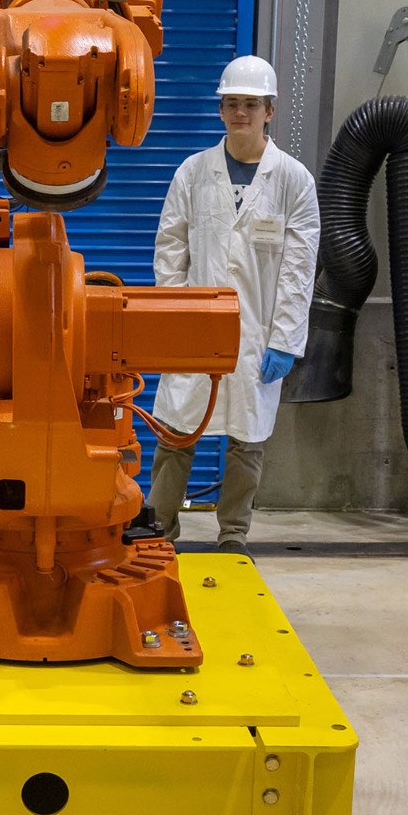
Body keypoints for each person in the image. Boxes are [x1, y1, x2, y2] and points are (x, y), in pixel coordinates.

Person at [149, 54, 319, 551]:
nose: (240, 112)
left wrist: (284, 339)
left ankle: (233, 535)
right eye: (232, 103)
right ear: (221, 110)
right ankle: (159, 529)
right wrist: (173, 316)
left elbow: (299, 268)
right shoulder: (193, 172)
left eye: (251, 103)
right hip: (195, 325)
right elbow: (170, 249)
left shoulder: (293, 180)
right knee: (176, 431)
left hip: (256, 332)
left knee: (247, 441)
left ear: (270, 110)